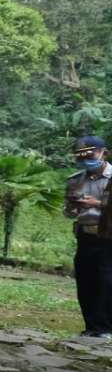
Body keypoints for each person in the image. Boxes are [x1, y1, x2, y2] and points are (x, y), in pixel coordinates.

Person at [64, 135, 112, 339]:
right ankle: (91, 326)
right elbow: (67, 212)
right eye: (80, 157)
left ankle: (105, 328)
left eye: (90, 156)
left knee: (106, 281)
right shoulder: (76, 180)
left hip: (108, 236)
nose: (85, 160)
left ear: (104, 153)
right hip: (85, 235)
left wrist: (97, 204)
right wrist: (73, 208)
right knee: (85, 281)